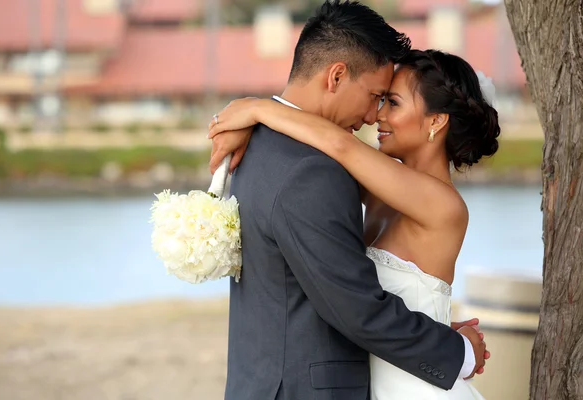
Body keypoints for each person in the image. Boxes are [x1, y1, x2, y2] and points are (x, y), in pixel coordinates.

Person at [210, 2, 490, 399]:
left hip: (414, 381)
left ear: (436, 122)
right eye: (380, 97)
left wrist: (257, 109)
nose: (377, 116)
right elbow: (334, 147)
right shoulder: (353, 180)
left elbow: (339, 146)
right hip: (383, 372)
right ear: (338, 75)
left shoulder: (439, 204)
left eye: (391, 102)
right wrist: (257, 113)